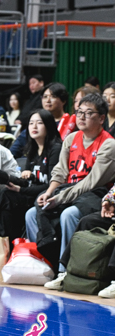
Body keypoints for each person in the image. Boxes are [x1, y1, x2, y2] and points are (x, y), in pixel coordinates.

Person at [27, 94, 115, 285]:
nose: (81, 117)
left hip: (95, 194)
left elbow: (91, 182)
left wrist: (60, 198)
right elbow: (60, 171)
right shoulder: (71, 138)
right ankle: (43, 265)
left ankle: (64, 272)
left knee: (69, 214)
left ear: (101, 118)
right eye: (79, 112)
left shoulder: (109, 144)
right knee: (32, 213)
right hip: (68, 190)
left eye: (88, 113)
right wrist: (49, 192)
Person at [0, 109, 62, 242]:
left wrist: (20, 190)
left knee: (6, 196)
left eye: (39, 123)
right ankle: (8, 246)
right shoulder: (33, 149)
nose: (34, 127)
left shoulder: (56, 149)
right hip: (30, 194)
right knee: (6, 210)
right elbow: (27, 181)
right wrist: (11, 180)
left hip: (45, 197)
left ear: (49, 126)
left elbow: (53, 185)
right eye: (31, 123)